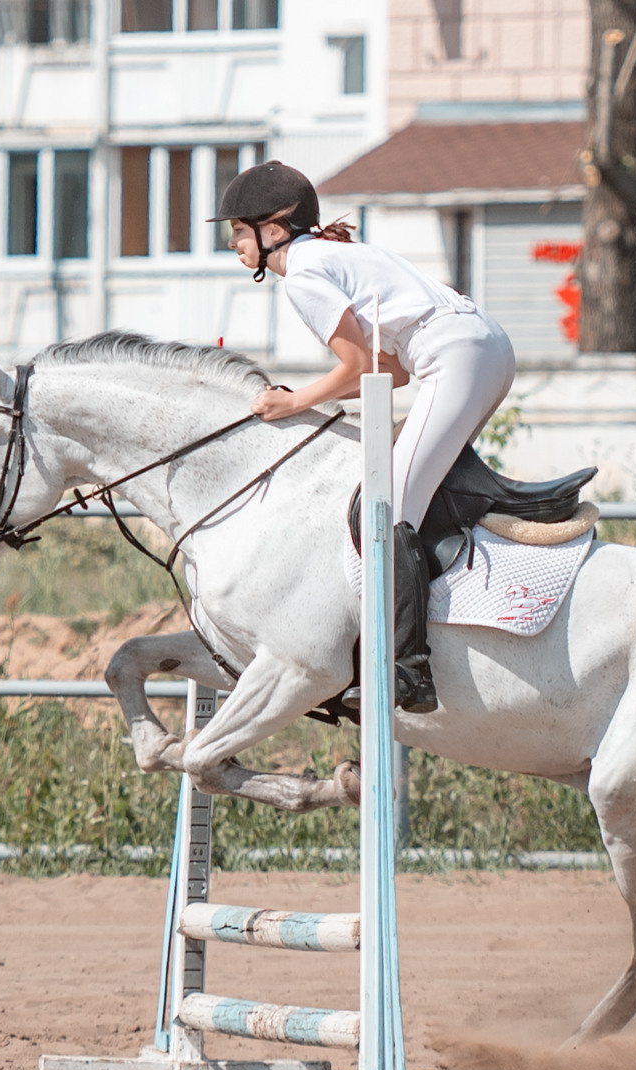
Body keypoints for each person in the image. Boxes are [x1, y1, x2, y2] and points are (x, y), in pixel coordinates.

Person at [214, 160, 516, 714]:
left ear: (273, 231)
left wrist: (291, 401)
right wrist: (314, 398)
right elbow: (388, 372)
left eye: (238, 231)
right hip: (483, 349)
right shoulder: (333, 256)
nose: (232, 243)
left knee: (387, 505)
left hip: (459, 358)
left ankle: (407, 668)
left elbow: (358, 371)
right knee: (405, 485)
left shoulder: (303, 274)